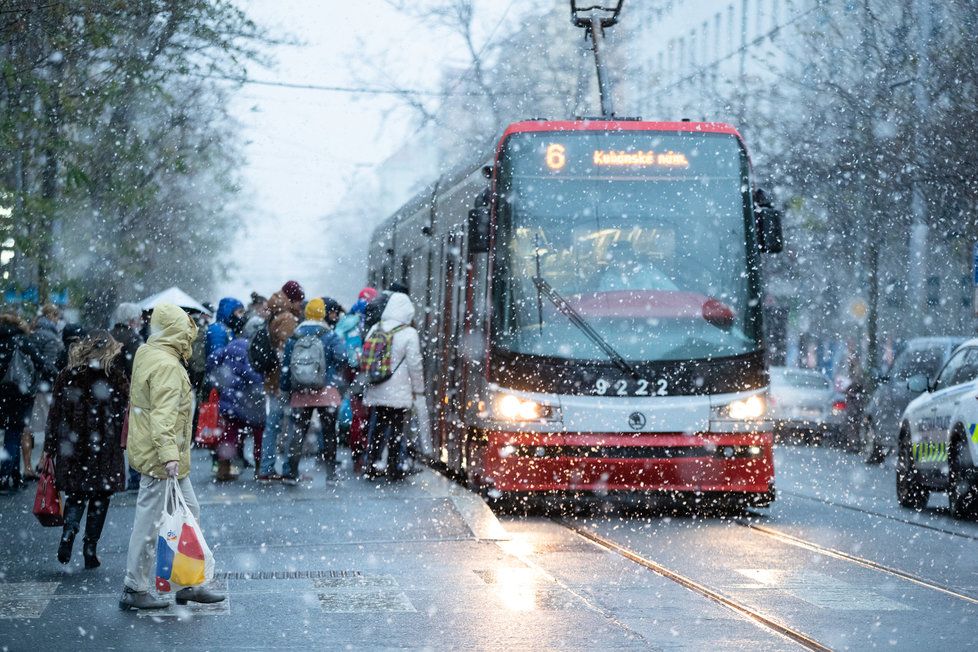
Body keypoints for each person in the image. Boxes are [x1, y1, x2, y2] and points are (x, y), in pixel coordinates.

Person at [119, 303, 225, 610]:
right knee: (150, 524)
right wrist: (168, 455)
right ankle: (134, 587)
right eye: (187, 333)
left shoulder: (148, 352)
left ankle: (188, 582)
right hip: (161, 458)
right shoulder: (167, 365)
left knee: (187, 512)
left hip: (162, 454)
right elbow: (161, 417)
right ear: (177, 333)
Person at [42, 330, 128, 568]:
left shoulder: (68, 375)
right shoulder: (115, 375)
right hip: (105, 446)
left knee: (76, 494)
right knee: (100, 497)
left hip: (74, 445)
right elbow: (126, 411)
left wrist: (49, 447)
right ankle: (90, 546)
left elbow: (55, 413)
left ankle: (69, 530)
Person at [280, 298, 346, 485]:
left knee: (298, 432)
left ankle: (291, 473)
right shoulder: (330, 335)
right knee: (329, 433)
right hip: (326, 390)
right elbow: (343, 357)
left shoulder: (295, 336)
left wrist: (286, 388)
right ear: (323, 314)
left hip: (301, 391)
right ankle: (331, 475)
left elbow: (287, 365)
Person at [363, 293, 423, 481]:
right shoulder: (409, 333)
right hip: (399, 391)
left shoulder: (375, 328)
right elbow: (415, 364)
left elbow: (367, 358)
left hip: (378, 386)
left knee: (378, 428)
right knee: (397, 430)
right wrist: (418, 389)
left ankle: (372, 465)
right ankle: (394, 467)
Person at [257, 281, 304, 482]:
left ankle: (267, 468)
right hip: (281, 380)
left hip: (272, 378)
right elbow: (286, 351)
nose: (301, 306)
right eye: (299, 301)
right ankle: (284, 469)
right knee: (287, 424)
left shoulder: (275, 311)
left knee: (273, 424)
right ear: (293, 299)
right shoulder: (286, 318)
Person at [0, 313, 51, 492]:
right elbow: (41, 362)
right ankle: (5, 476)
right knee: (14, 432)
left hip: (3, 393)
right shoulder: (21, 340)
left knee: (11, 431)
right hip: (21, 393)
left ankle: (14, 475)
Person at [212, 317, 265, 481]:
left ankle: (223, 468)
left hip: (230, 399)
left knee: (230, 434)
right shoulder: (254, 347)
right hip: (250, 400)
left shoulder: (232, 344)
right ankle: (260, 468)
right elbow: (253, 375)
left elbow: (212, 360)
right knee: (259, 433)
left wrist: (225, 382)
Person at [23, 305, 64, 481]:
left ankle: (27, 466)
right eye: (57, 316)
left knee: (28, 428)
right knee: (50, 426)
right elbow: (49, 365)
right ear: (52, 316)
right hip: (45, 388)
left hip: (27, 388)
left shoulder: (29, 334)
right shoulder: (51, 338)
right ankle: (43, 462)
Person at [110, 302, 145, 376]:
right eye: (138, 319)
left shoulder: (107, 336)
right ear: (131, 320)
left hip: (104, 385)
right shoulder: (135, 339)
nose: (140, 322)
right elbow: (138, 369)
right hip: (127, 384)